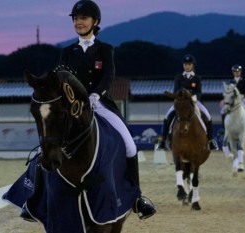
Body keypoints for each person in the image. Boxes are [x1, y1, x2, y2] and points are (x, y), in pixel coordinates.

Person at [21, 0, 155, 220]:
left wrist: (95, 95)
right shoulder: (67, 51)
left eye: (83, 18)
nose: (78, 22)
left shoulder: (105, 49)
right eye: (75, 18)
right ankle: (36, 200)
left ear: (95, 22)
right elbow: (59, 77)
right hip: (71, 106)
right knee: (42, 151)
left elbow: (108, 76)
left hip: (98, 103)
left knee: (130, 145)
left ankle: (137, 198)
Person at [156, 54, 219, 151]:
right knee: (167, 116)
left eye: (189, 64)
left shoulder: (197, 78)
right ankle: (163, 141)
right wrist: (181, 96)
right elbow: (176, 91)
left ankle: (211, 141)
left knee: (208, 117)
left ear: (193, 65)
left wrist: (193, 97)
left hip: (194, 102)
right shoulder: (178, 77)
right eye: (185, 64)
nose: (187, 66)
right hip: (181, 102)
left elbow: (199, 92)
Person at [221, 64, 245, 138]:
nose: (236, 73)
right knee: (222, 111)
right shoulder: (231, 82)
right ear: (233, 72)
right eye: (235, 71)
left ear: (240, 72)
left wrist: (243, 96)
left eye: (238, 71)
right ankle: (224, 129)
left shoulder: (243, 81)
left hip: (243, 99)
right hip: (233, 100)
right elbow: (228, 91)